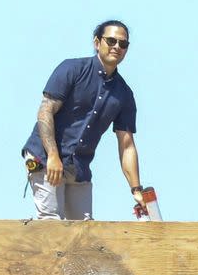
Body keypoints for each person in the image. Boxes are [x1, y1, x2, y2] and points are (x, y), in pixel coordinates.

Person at [22, 20, 143, 221]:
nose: (116, 47)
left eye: (123, 44)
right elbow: (45, 111)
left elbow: (127, 144)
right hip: (45, 157)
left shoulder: (124, 94)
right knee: (51, 222)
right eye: (111, 41)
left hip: (78, 167)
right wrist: (52, 155)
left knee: (84, 232)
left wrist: (136, 189)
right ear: (97, 42)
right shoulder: (72, 69)